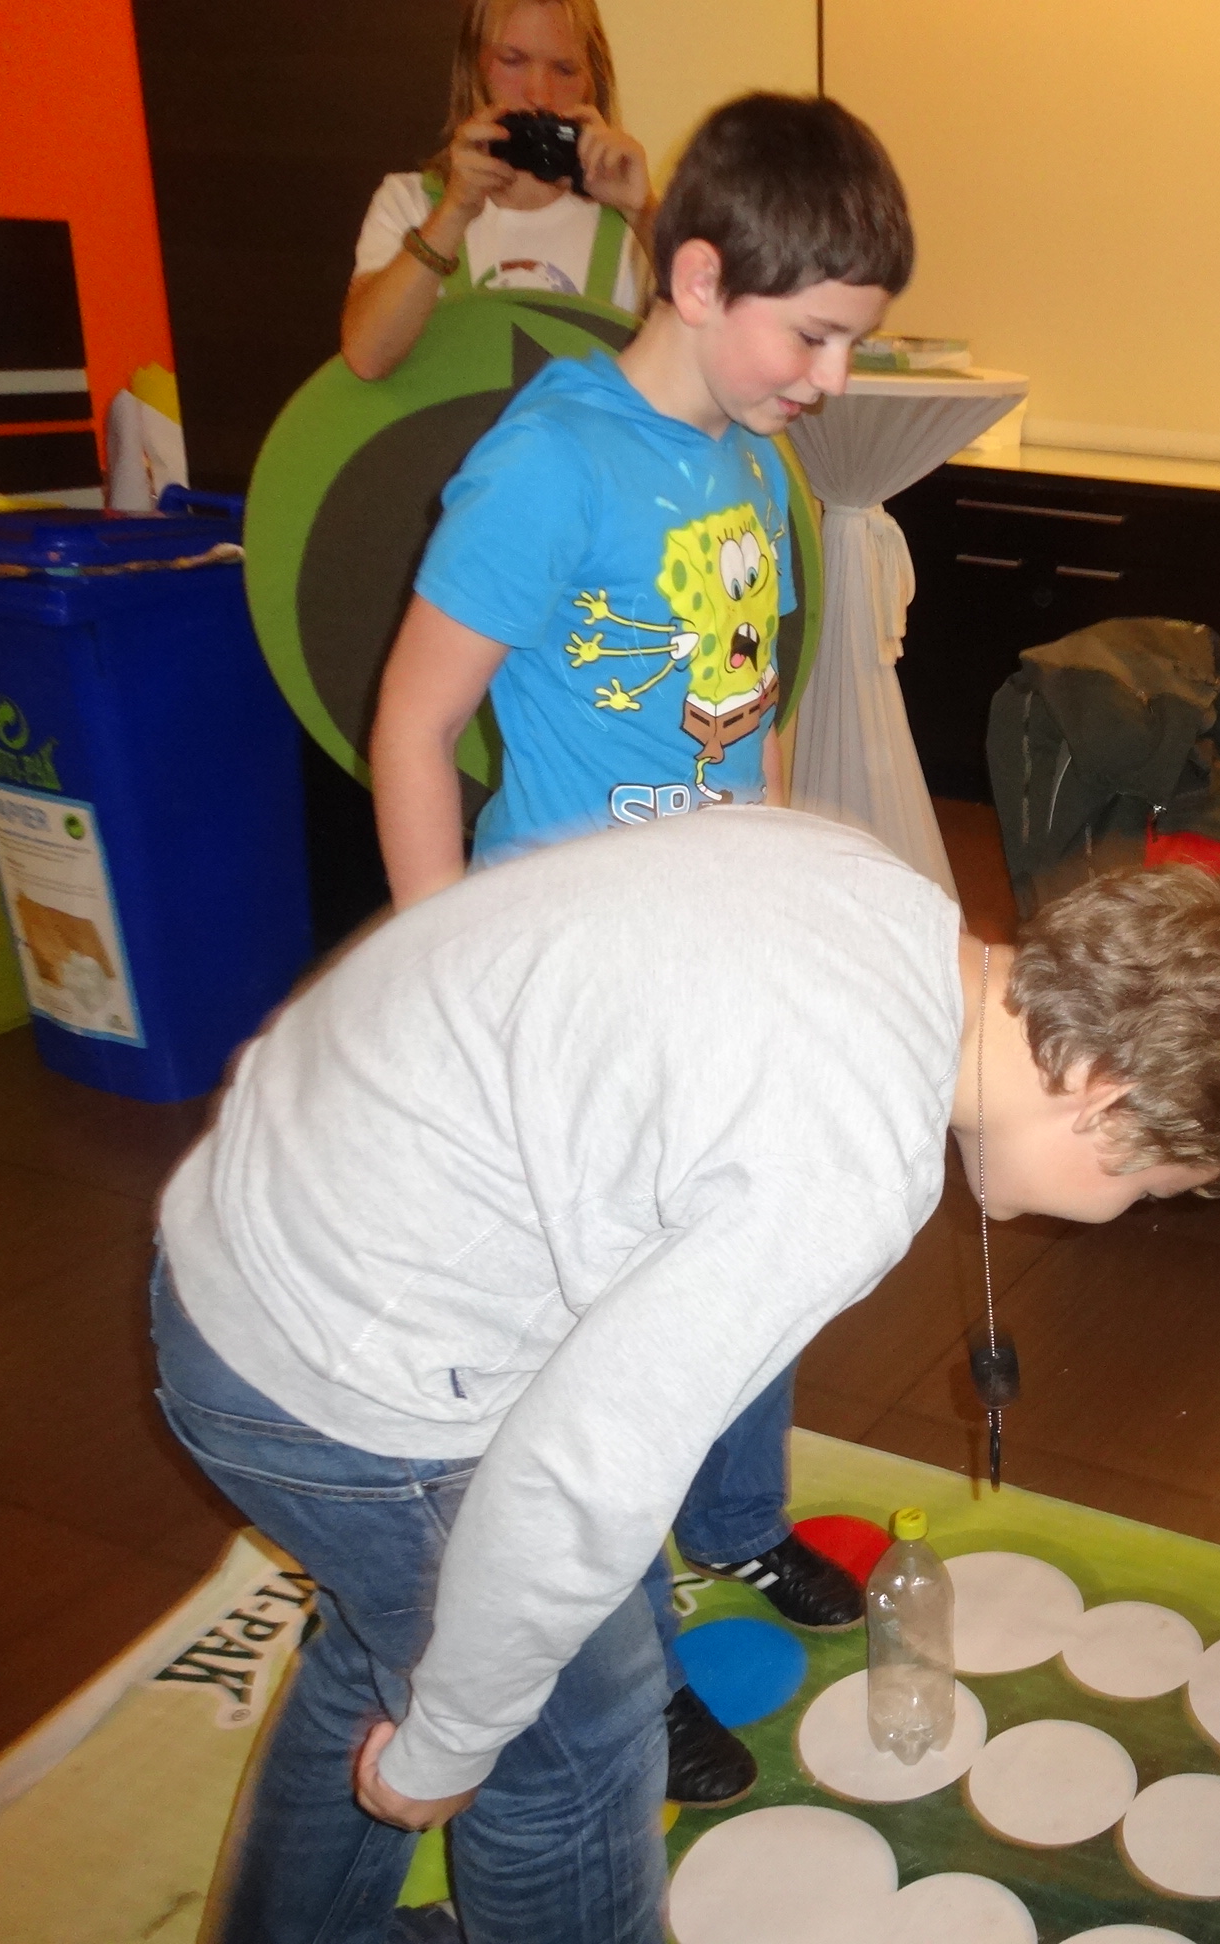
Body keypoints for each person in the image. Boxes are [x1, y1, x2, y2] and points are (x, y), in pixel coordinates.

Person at [154, 811, 1220, 1943]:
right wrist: (452, 1743)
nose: (1117, 1215)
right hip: (335, 1361)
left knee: (404, 1642)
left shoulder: (878, 888)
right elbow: (580, 1476)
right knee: (574, 1733)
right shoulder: (846, 1160)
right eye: (1148, 1190)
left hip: (258, 1210)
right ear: (1109, 1101)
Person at [365, 90, 909, 1801]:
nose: (831, 377)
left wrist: (779, 898)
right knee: (604, 1365)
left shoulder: (748, 453)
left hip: (711, 960)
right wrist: (439, 980)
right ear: (696, 278)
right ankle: (629, 1664)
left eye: (849, 341)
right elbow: (411, 727)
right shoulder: (548, 465)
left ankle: (735, 1524)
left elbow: (747, 715)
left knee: (748, 1265)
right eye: (812, 334)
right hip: (567, 991)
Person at [342, 0, 653, 382]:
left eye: (564, 68)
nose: (540, 94)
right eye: (513, 61)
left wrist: (643, 212)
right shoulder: (409, 203)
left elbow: (711, 344)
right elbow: (367, 358)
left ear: (593, 80)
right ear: (475, 67)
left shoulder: (632, 226)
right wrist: (454, 212)